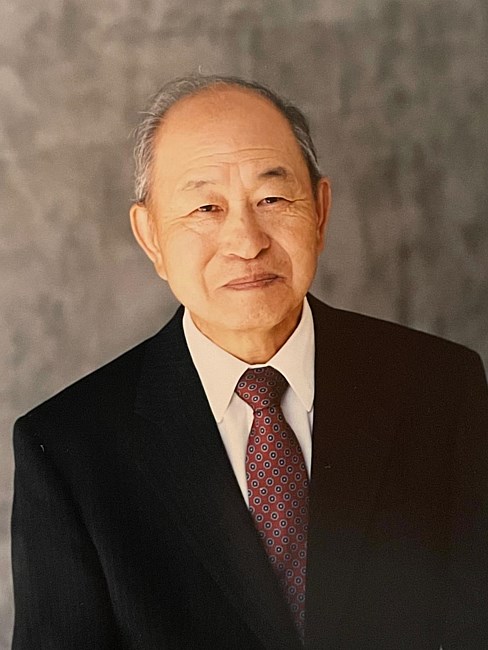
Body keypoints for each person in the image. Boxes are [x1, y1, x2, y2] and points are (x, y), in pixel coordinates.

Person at [11, 75, 488, 650]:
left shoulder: (442, 387)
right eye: (206, 207)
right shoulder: (69, 448)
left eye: (272, 199)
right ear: (150, 236)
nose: (246, 241)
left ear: (321, 212)